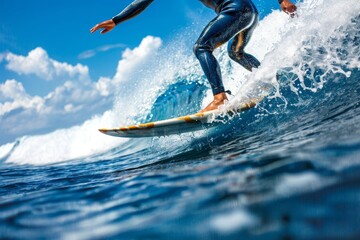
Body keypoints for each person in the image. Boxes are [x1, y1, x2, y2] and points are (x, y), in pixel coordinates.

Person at [91, 0, 297, 112]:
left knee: (201, 47)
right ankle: (271, 78)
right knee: (236, 52)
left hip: (235, 9)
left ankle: (219, 98)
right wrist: (116, 20)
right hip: (249, 12)